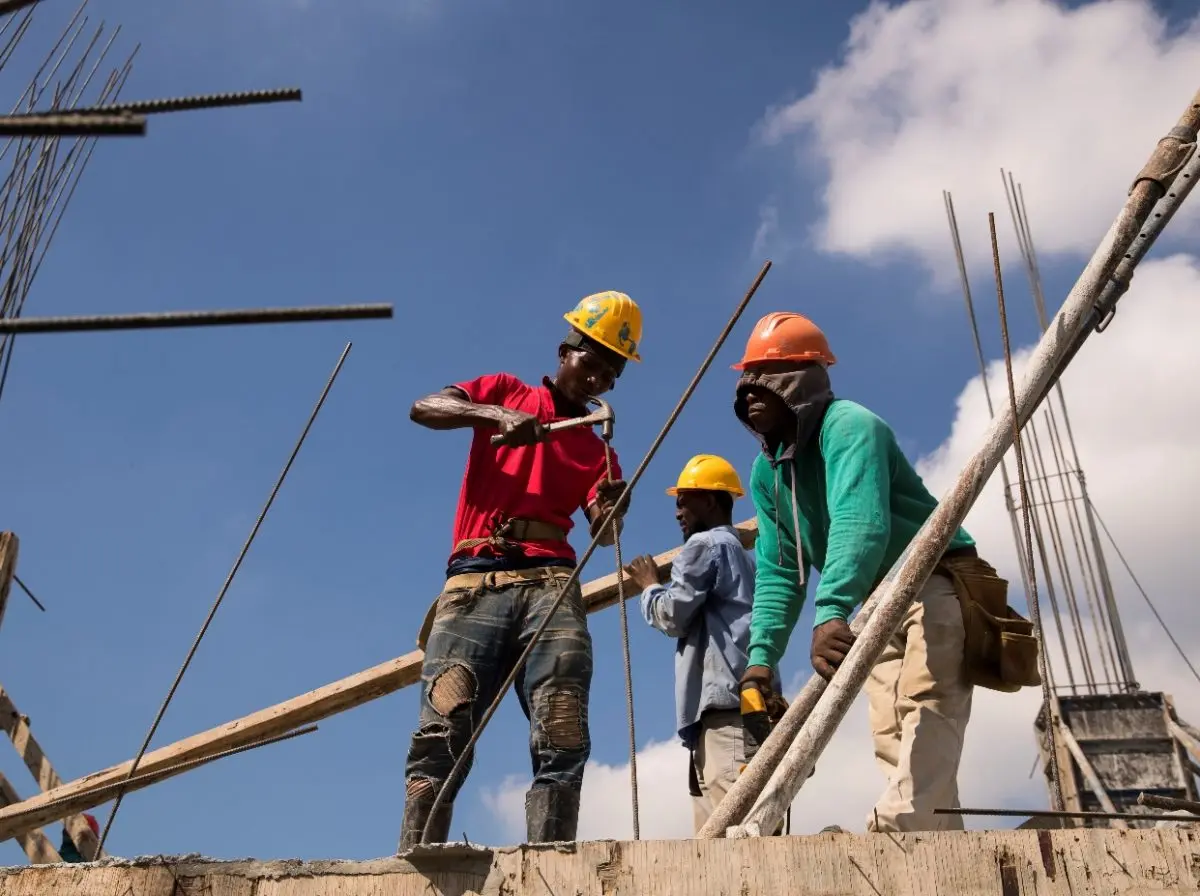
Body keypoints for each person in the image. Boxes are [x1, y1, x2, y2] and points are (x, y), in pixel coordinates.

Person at [398, 291, 642, 851]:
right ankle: (418, 859)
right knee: (444, 723)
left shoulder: (595, 447)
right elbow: (424, 407)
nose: (598, 378)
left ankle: (552, 859)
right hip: (475, 581)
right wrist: (496, 414)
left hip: (551, 585)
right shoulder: (509, 391)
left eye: (611, 372)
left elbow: (603, 535)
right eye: (592, 360)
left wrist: (612, 506)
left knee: (562, 724)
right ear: (565, 350)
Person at [733, 311, 984, 834]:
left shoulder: (850, 426)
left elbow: (860, 520)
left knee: (929, 700)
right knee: (890, 726)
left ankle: (894, 831)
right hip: (870, 598)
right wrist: (762, 657)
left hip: (928, 577)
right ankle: (934, 843)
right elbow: (781, 568)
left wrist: (830, 612)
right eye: (746, 381)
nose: (751, 391)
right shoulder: (769, 470)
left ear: (803, 383)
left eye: (766, 378)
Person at [625, 454, 765, 834]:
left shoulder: (704, 545)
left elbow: (672, 615)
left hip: (726, 718)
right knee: (720, 847)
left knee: (739, 839)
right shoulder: (745, 558)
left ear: (710, 500)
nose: (677, 512)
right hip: (731, 718)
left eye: (684, 501)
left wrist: (650, 584)